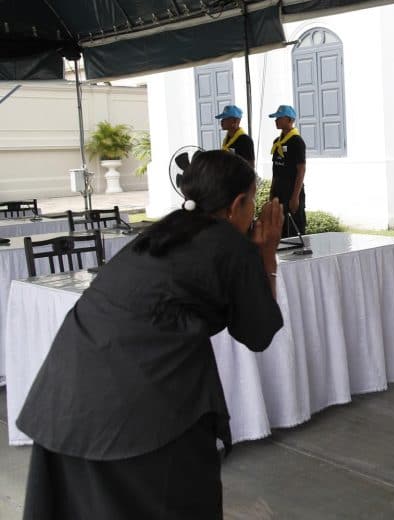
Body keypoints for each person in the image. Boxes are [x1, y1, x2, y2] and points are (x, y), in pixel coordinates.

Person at [17, 151, 285, 519]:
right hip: (138, 409)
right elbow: (259, 332)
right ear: (238, 203)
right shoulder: (229, 245)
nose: (254, 211)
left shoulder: (163, 230)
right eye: (252, 201)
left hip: (67, 393)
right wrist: (266, 253)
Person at [268, 104, 306, 238]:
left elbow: (301, 170)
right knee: (281, 228)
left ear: (290, 120)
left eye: (279, 118)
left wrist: (295, 196)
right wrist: (272, 192)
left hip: (292, 189)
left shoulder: (297, 141)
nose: (276, 120)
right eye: (275, 118)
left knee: (295, 230)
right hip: (279, 190)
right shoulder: (276, 142)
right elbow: (275, 169)